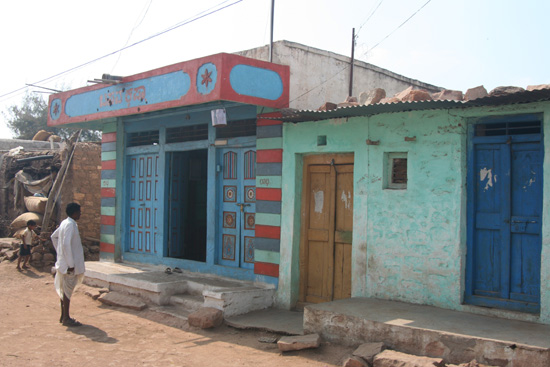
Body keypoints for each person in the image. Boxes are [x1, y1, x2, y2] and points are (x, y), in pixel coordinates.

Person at [51, 203, 85, 327]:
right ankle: (66, 318)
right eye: (79, 212)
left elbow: (54, 237)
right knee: (67, 292)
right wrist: (70, 263)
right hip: (69, 266)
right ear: (74, 213)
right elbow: (65, 244)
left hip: (63, 263)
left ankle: (63, 315)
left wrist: (60, 255)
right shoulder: (70, 225)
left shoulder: (65, 223)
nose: (80, 214)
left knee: (64, 290)